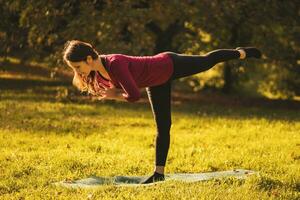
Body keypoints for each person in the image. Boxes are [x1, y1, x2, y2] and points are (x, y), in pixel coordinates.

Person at [62, 40, 261, 184]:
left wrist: (115, 95)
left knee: (208, 60)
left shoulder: (115, 63)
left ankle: (241, 53)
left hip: (168, 64)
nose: (77, 72)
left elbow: (133, 95)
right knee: (163, 127)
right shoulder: (98, 70)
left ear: (89, 59)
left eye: (78, 67)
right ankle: (159, 173)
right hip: (155, 83)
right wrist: (113, 92)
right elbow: (130, 89)